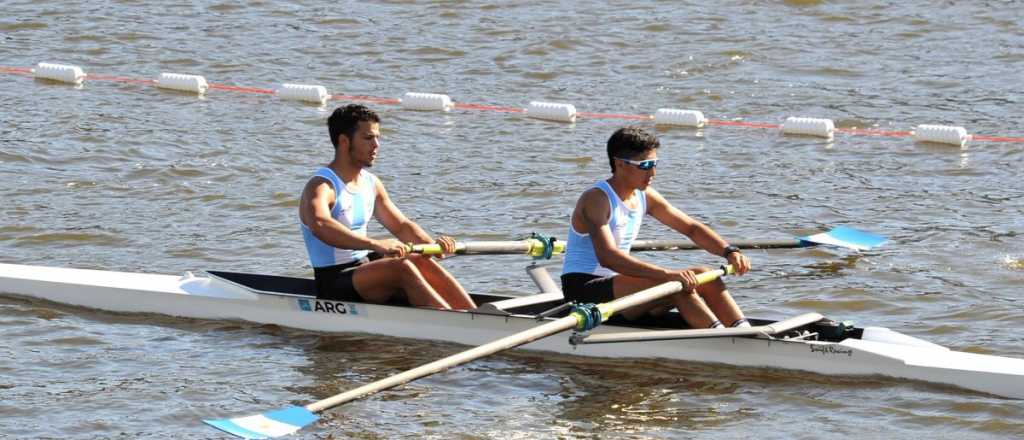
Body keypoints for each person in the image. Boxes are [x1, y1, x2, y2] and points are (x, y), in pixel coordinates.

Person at [561, 126, 751, 328]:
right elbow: (608, 257)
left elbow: (691, 228)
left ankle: (744, 332)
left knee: (705, 276)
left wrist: (729, 251)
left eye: (655, 163)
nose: (653, 172)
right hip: (584, 291)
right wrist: (666, 274)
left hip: (619, 285)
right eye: (645, 165)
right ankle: (720, 338)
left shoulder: (645, 195)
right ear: (620, 164)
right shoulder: (597, 199)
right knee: (674, 284)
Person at [298, 104, 476, 310]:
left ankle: (473, 315)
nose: (376, 145)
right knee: (401, 266)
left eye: (377, 138)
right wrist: (375, 244)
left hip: (366, 266)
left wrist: (433, 246)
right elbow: (320, 225)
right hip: (334, 280)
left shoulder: (371, 183)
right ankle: (452, 322)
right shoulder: (321, 186)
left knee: (419, 259)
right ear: (344, 141)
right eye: (368, 138)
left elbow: (401, 225)